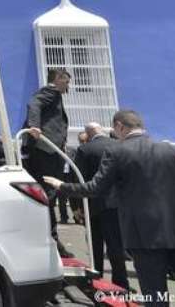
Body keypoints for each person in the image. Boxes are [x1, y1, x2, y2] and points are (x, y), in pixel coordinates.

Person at [45, 110, 175, 305]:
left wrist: (62, 186)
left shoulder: (118, 152)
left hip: (144, 236)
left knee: (155, 296)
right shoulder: (174, 150)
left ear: (120, 127)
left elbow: (95, 188)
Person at [70, 122, 129, 289]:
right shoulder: (119, 145)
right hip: (117, 204)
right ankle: (121, 283)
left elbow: (78, 178)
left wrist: (76, 207)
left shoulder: (85, 149)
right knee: (116, 247)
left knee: (96, 245)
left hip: (93, 204)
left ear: (88, 134)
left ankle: (97, 280)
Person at [23, 68, 72, 257]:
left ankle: (51, 239)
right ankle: (51, 240)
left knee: (47, 195)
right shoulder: (51, 91)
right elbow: (34, 103)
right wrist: (34, 125)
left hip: (48, 150)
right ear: (58, 80)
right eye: (66, 82)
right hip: (45, 150)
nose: (67, 86)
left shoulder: (54, 95)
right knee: (48, 194)